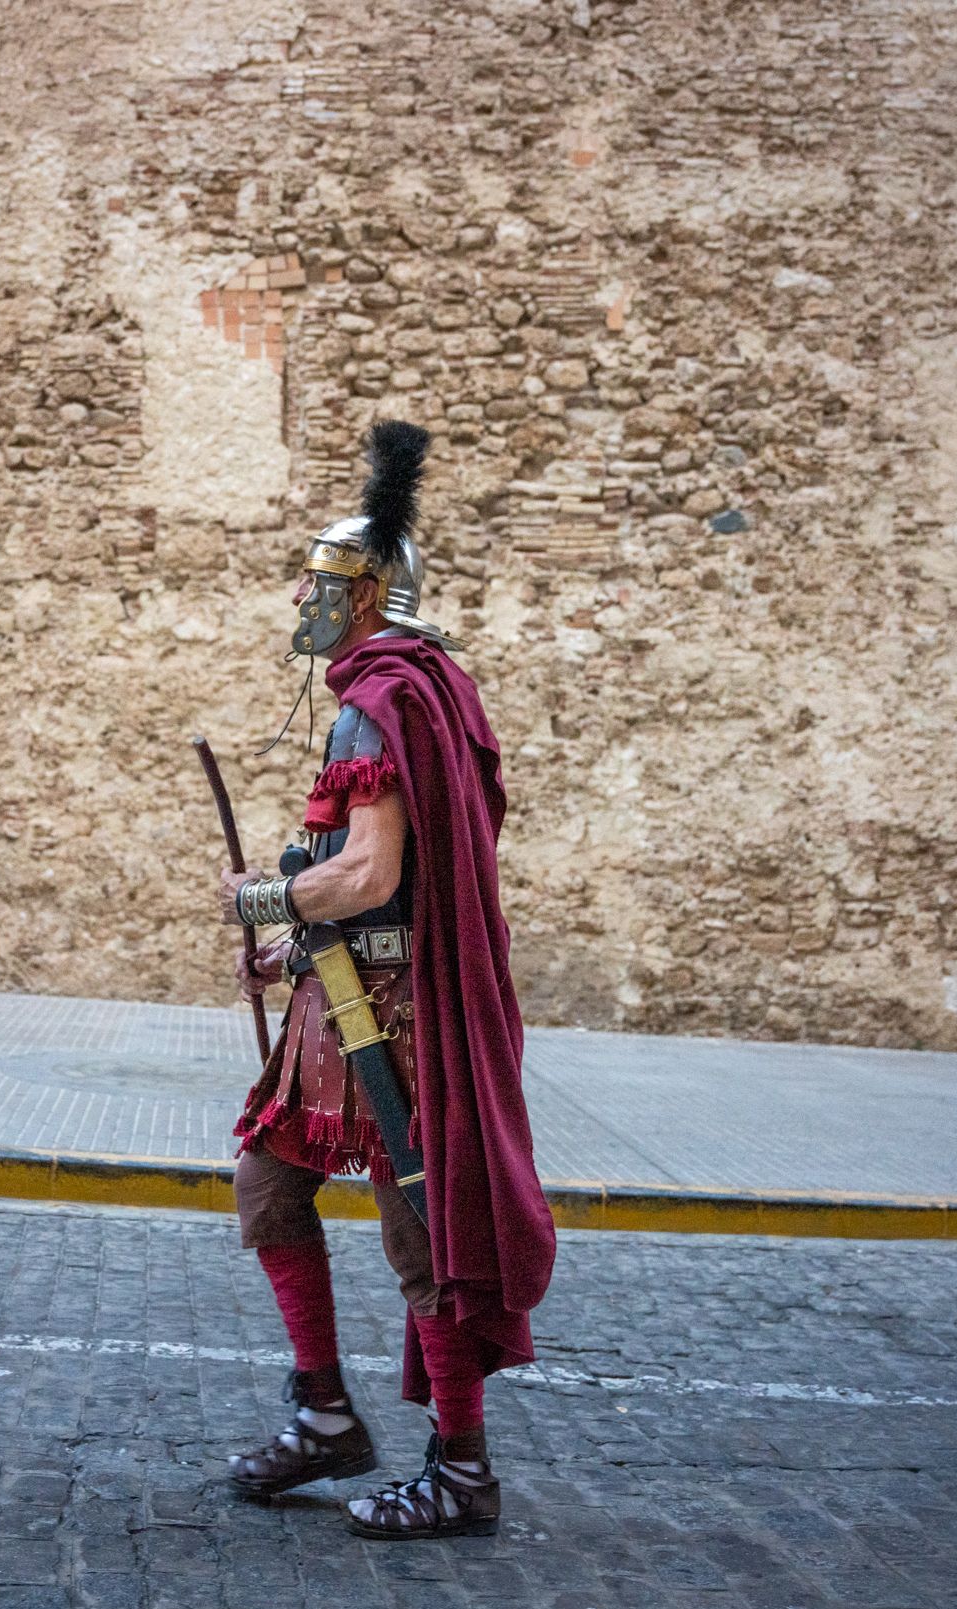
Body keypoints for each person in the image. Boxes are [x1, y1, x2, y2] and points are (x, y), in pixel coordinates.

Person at [217, 420, 556, 1540]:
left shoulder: (384, 697)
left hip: (392, 1020)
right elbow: (366, 884)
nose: (304, 605)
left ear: (364, 592)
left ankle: (461, 1470)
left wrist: (267, 901)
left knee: (422, 1237)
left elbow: (370, 871)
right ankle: (324, 1416)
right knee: (270, 1187)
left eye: (319, 584)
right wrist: (293, 945)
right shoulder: (407, 688)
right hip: (343, 993)